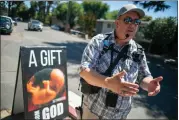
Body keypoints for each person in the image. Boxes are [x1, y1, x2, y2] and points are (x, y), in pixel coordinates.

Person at [79, 4, 163, 119]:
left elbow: (143, 76)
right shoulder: (98, 41)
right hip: (93, 111)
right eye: (128, 20)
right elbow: (84, 71)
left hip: (120, 115)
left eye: (136, 21)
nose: (132, 25)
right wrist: (107, 82)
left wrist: (149, 84)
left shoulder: (139, 51)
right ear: (117, 23)